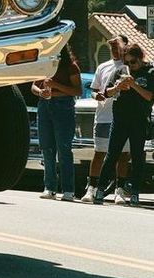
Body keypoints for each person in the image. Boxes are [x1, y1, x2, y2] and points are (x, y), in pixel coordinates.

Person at [94, 43, 154, 207]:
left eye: (133, 62)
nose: (130, 66)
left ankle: (134, 191)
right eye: (127, 63)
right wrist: (118, 86)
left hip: (139, 120)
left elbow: (149, 96)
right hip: (120, 119)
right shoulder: (120, 71)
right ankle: (100, 188)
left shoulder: (150, 72)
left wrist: (134, 85)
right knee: (112, 153)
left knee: (137, 156)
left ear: (140, 58)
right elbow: (106, 92)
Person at [81, 35, 130, 204]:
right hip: (103, 116)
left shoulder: (129, 66)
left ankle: (120, 190)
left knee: (123, 155)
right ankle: (91, 188)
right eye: (112, 48)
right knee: (99, 153)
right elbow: (94, 90)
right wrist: (97, 95)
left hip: (123, 116)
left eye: (117, 47)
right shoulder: (103, 67)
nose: (114, 51)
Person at [32, 44, 82, 201]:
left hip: (63, 106)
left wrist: (55, 86)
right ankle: (49, 188)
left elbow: (77, 91)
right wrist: (41, 91)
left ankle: (68, 190)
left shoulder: (71, 67)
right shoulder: (44, 64)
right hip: (44, 105)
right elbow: (33, 85)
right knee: (47, 148)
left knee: (64, 149)